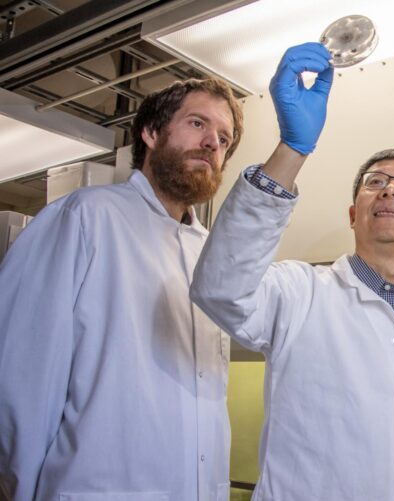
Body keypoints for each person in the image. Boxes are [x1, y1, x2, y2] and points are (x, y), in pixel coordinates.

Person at [190, 43, 394, 500]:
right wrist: (292, 148)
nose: (389, 191)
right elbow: (220, 290)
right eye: (375, 183)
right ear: (353, 214)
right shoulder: (300, 293)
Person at [0, 77, 244, 500]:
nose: (212, 143)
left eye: (224, 139)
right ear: (150, 132)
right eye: (197, 124)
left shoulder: (211, 255)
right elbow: (21, 375)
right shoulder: (85, 217)